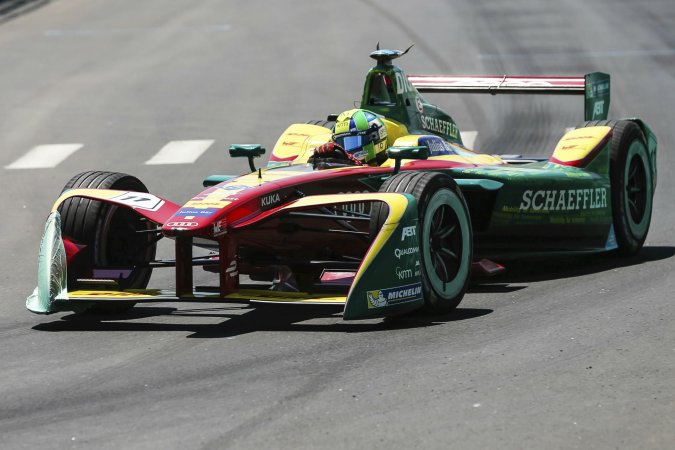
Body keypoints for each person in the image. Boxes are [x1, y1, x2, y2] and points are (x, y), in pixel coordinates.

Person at [312, 109, 389, 167]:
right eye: (341, 144)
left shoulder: (394, 167)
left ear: (375, 137)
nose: (345, 152)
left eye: (352, 142)